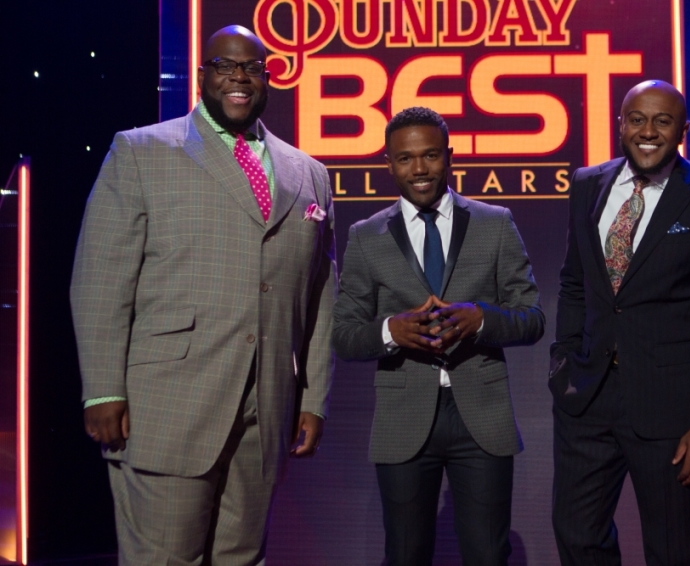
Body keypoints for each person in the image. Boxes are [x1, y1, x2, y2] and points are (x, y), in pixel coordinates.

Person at [70, 25, 336, 565]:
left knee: (242, 558)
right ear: (201, 76)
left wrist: (312, 398)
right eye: (225, 65)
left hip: (267, 408)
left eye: (252, 68)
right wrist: (101, 390)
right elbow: (101, 278)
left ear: (267, 78)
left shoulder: (309, 172)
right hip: (168, 406)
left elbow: (321, 297)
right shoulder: (141, 151)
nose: (240, 77)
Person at [549, 80, 690, 565]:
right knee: (577, 536)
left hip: (674, 414)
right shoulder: (587, 184)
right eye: (637, 120)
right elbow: (575, 283)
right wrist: (564, 361)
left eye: (663, 122)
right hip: (588, 399)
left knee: (671, 551)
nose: (648, 131)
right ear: (620, 125)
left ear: (682, 132)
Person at [332, 107, 544, 565]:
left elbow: (532, 317)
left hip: (481, 418)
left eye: (430, 155)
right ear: (389, 164)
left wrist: (481, 319)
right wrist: (392, 330)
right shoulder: (366, 236)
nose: (419, 169)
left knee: (488, 555)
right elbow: (344, 336)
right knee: (405, 555)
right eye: (405, 158)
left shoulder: (494, 222)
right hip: (403, 418)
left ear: (450, 156)